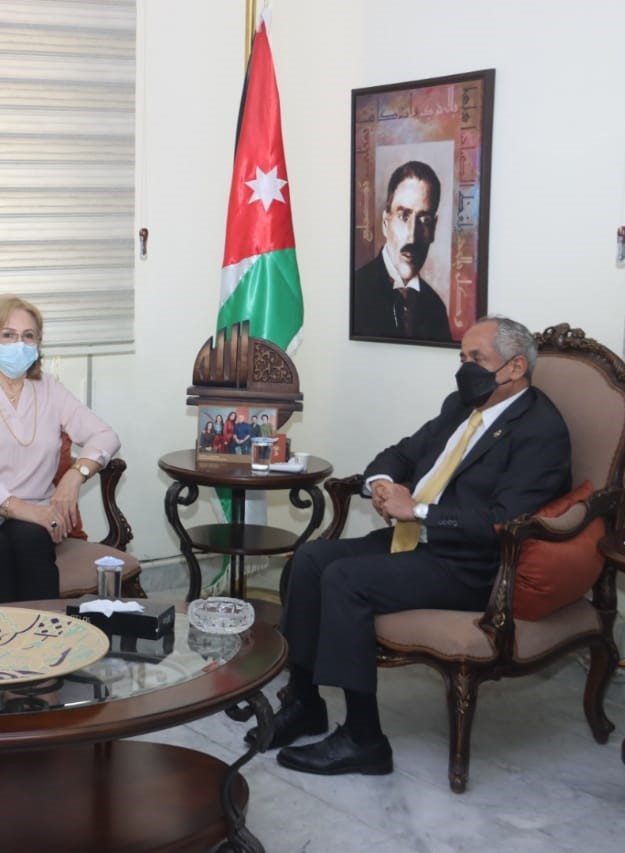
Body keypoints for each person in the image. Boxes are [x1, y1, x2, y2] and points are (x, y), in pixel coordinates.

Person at [250, 317, 570, 776]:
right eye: (462, 357)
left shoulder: (541, 430)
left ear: (516, 367)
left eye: (476, 359)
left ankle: (364, 739)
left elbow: (505, 520)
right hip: (418, 542)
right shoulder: (461, 406)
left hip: (474, 566)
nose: (464, 369)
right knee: (311, 559)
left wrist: (417, 511)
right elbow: (400, 453)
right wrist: (382, 484)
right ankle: (304, 703)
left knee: (345, 578)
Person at [0, 295, 121, 604]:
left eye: (28, 336)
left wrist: (75, 475)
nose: (19, 344)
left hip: (33, 512)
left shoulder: (49, 389)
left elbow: (105, 435)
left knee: (32, 544)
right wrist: (24, 510)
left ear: (38, 344)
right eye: (8, 335)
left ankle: (45, 632)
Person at [352, 160, 453, 342]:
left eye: (424, 220)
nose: (412, 236)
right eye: (403, 216)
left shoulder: (436, 308)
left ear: (433, 230)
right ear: (386, 223)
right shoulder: (356, 291)